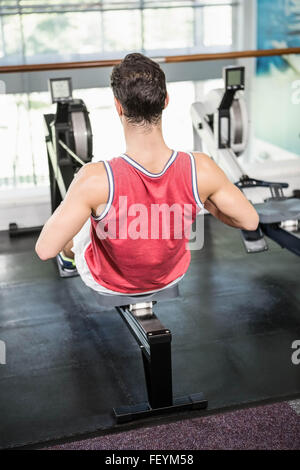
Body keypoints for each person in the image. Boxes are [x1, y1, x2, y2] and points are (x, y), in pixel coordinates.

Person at [35, 53, 259, 295]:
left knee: (83, 220)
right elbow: (249, 221)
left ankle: (70, 258)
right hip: (172, 276)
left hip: (107, 282)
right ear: (165, 101)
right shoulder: (202, 168)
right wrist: (205, 202)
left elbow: (45, 249)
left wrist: (76, 198)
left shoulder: (94, 178)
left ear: (118, 106)